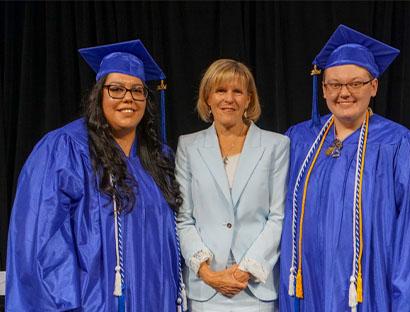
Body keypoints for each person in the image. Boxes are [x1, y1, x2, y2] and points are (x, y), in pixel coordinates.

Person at [6, 39, 185, 311]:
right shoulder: (63, 149)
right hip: (93, 304)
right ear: (99, 94)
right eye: (116, 89)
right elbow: (41, 244)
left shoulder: (159, 158)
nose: (128, 98)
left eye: (138, 90)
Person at [279, 24, 410, 312]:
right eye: (334, 84)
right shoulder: (299, 141)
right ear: (324, 89)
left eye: (355, 83)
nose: (344, 93)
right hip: (310, 292)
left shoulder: (401, 146)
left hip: (372, 291)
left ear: (374, 86)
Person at [176, 59, 289, 311]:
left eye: (237, 91)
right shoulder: (188, 147)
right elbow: (183, 218)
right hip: (205, 287)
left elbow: (278, 216)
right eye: (220, 90)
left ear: (249, 99)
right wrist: (208, 273)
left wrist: (245, 270)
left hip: (255, 286)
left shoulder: (276, 146)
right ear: (208, 98)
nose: (229, 98)